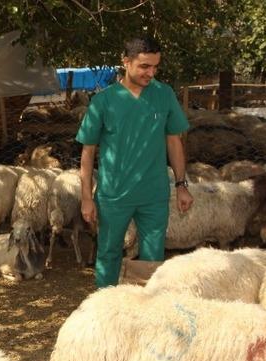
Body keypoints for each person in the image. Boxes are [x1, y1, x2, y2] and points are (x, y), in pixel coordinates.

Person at [76, 36, 193, 288]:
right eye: (144, 66)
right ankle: (104, 308)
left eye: (155, 67)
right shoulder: (103, 102)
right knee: (108, 254)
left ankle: (146, 311)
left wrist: (181, 185)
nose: (151, 73)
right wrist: (86, 197)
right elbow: (87, 152)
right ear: (126, 62)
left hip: (154, 195)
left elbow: (174, 141)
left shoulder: (164, 94)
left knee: (153, 258)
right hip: (113, 195)